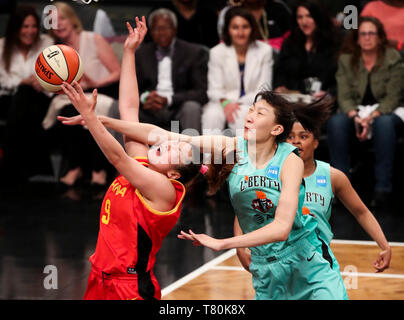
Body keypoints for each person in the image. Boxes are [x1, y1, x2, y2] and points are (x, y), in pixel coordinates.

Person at [88, 91, 348, 299]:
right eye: (250, 109)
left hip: (306, 259)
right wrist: (100, 120)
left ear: (276, 129)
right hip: (267, 267)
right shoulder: (233, 147)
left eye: (260, 113)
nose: (250, 115)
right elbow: (163, 135)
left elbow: (281, 228)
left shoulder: (290, 161)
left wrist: (223, 243)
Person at [58, 17, 211, 300]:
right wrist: (129, 52)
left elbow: (117, 158)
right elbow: (129, 110)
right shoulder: (144, 165)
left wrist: (92, 118)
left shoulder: (166, 190)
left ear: (175, 174)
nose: (167, 143)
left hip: (129, 288)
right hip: (99, 278)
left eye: (176, 149)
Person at [234, 97, 392, 298]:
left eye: (303, 136)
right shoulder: (270, 172)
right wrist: (240, 247)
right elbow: (244, 208)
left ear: (316, 142)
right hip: (276, 270)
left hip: (315, 264)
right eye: (290, 137)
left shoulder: (332, 176)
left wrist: (384, 245)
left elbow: (361, 212)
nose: (296, 141)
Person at [327, 16, 404, 208]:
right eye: (363, 34)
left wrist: (372, 117)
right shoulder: (347, 60)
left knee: (384, 124)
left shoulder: (392, 57)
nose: (367, 38)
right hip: (357, 110)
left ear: (379, 37)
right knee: (336, 122)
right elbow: (344, 95)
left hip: (388, 110)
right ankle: (341, 187)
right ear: (357, 38)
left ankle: (383, 189)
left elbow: (394, 96)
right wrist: (354, 116)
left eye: (371, 33)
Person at [48, 2, 121, 187]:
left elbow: (117, 72)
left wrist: (95, 83)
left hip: (100, 92)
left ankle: (98, 169)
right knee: (66, 110)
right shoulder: (54, 50)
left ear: (72, 19)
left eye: (62, 19)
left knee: (93, 111)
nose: (58, 24)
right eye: (53, 21)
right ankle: (75, 167)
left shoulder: (93, 38)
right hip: (71, 96)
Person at [1, 5, 54, 181]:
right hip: (8, 99)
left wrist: (38, 80)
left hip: (39, 98)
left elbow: (52, 74)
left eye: (33, 26)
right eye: (25, 26)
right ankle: (35, 168)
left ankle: (9, 163)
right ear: (16, 28)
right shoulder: (2, 47)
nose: (30, 31)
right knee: (22, 96)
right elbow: (3, 80)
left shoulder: (46, 43)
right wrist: (23, 81)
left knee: (25, 96)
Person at [202, 6, 273, 136]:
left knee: (244, 115)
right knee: (212, 115)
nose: (240, 32)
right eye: (235, 27)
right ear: (228, 30)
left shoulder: (264, 51)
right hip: (222, 102)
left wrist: (237, 104)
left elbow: (264, 89)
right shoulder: (216, 52)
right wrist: (227, 104)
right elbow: (214, 90)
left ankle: (245, 156)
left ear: (252, 28)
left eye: (245, 27)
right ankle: (210, 156)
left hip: (252, 101)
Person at [135, 8, 208, 133]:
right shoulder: (141, 53)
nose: (162, 32)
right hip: (148, 109)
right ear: (151, 32)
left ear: (175, 29)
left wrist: (168, 99)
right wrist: (145, 98)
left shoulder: (193, 52)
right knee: (118, 106)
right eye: (157, 28)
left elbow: (200, 92)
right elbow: (133, 87)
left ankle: (193, 152)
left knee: (192, 108)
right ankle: (120, 153)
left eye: (166, 28)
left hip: (177, 107)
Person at [273, 0, 342, 100]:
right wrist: (279, 86)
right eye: (300, 17)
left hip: (323, 103)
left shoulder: (334, 43)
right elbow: (280, 71)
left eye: (309, 16)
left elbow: (342, 78)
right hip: (292, 101)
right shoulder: (290, 42)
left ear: (319, 17)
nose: (304, 22)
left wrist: (330, 93)